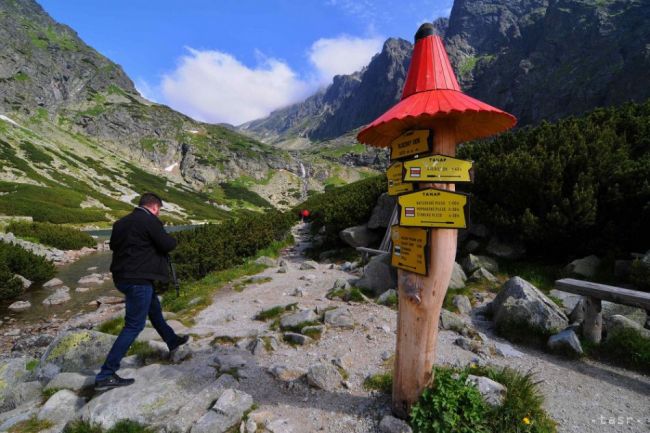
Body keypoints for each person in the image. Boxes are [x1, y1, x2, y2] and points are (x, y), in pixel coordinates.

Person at [95, 192, 189, 391]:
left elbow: (114, 245)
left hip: (122, 278)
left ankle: (172, 340)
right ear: (154, 207)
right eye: (159, 210)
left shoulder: (120, 223)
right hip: (138, 280)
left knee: (154, 311)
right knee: (134, 326)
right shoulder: (149, 220)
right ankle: (106, 374)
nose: (158, 212)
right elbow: (168, 244)